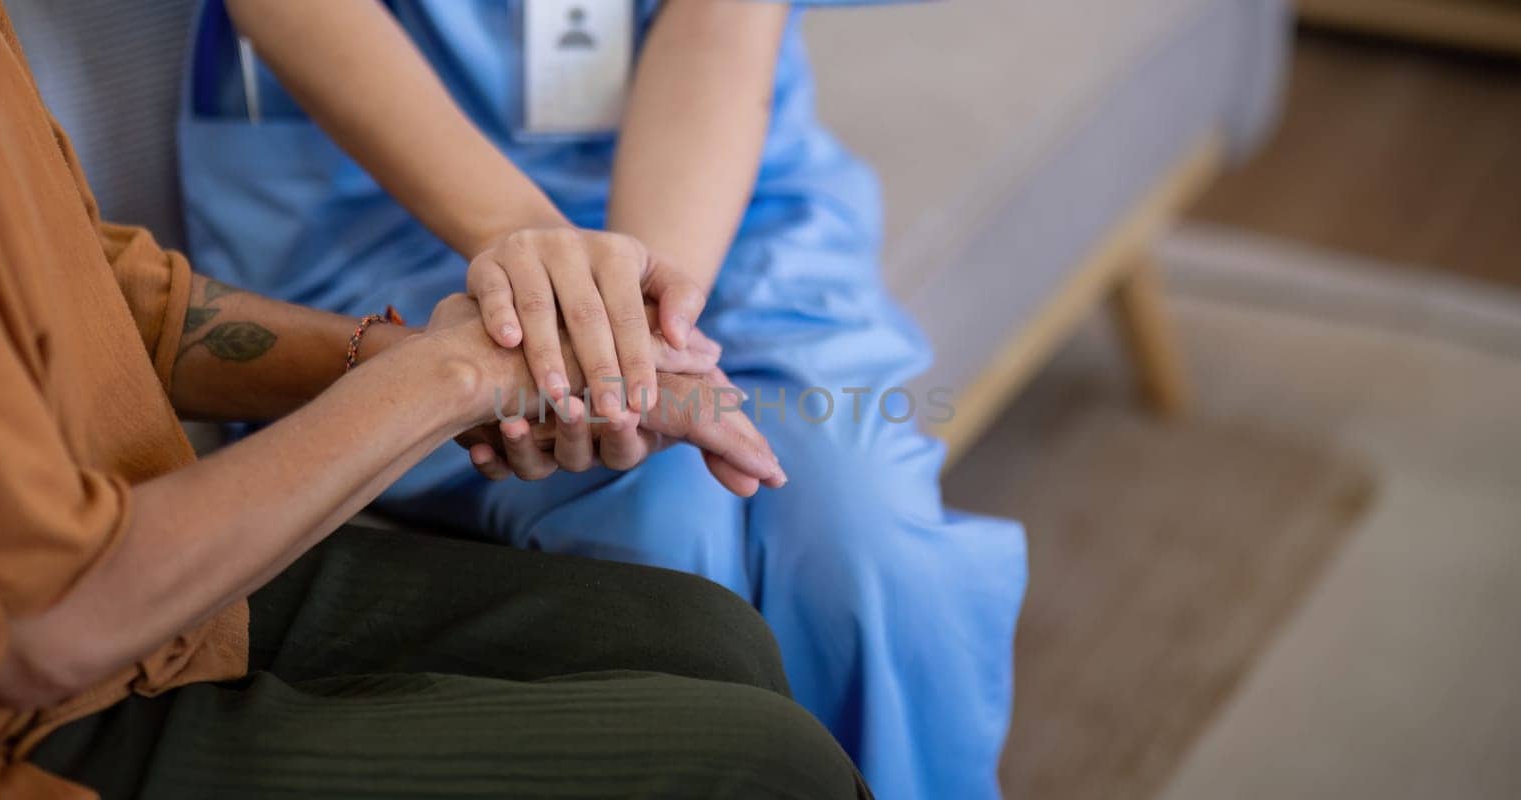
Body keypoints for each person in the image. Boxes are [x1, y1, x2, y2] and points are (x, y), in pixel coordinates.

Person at [0, 3, 865, 798]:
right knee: (767, 765)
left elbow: (102, 293)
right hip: (8, 723)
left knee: (707, 635)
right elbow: (45, 620)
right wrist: (459, 377)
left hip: (142, 582)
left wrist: (430, 353)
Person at [182, 1, 1029, 796]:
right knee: (660, 530)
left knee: (869, 541)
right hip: (375, 203)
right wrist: (547, 284)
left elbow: (717, 26)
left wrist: (646, 326)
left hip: (719, 205)